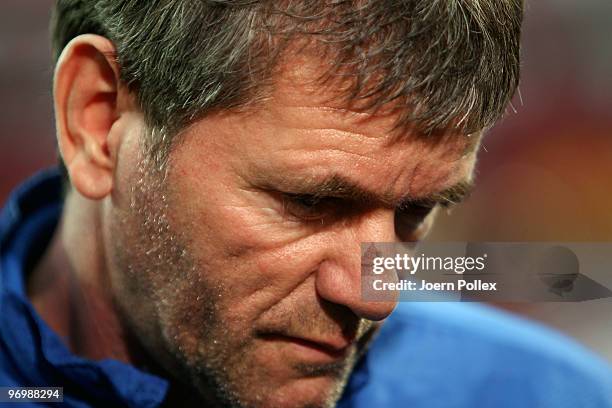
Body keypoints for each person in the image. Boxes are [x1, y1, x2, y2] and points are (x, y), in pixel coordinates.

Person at [0, 0, 610, 407]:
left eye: (413, 214)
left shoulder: (544, 394)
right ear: (97, 120)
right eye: (311, 202)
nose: (375, 293)